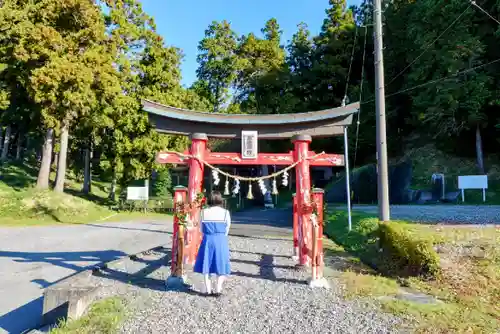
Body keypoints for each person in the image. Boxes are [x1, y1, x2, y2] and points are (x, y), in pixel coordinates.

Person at [193, 191, 231, 296]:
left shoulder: (203, 212)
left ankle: (208, 290)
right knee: (221, 265)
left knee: (206, 265)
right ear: (220, 199)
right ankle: (218, 289)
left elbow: (201, 229)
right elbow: (227, 229)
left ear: (209, 199)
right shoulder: (225, 212)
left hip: (208, 240)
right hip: (220, 240)